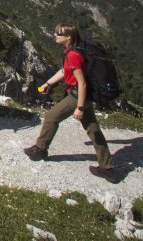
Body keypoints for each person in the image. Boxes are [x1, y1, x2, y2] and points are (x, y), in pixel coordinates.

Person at [24, 23, 116, 181]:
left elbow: (82, 83)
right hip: (83, 95)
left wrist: (79, 107)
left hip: (77, 96)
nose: (55, 36)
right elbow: (64, 71)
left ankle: (40, 149)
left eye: (59, 34)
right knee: (93, 130)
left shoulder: (73, 55)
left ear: (68, 37)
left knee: (51, 117)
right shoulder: (73, 51)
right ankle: (107, 167)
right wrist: (48, 83)